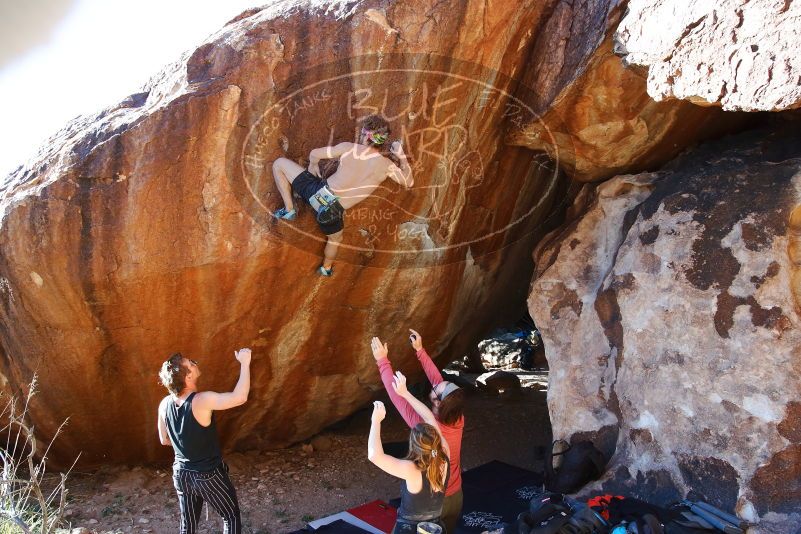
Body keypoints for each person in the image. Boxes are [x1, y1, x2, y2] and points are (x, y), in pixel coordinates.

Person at [271, 114, 414, 276]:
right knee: (335, 240)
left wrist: (313, 165)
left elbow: (315, 153)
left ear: (365, 134)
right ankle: (326, 268)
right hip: (332, 213)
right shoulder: (386, 166)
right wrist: (401, 157)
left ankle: (289, 209)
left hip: (317, 193)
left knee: (279, 164)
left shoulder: (349, 148)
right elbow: (409, 182)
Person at [371, 331, 466, 534]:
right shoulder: (457, 418)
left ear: (437, 402)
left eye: (438, 388)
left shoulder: (421, 423)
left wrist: (382, 361)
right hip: (455, 495)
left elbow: (397, 397)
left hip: (431, 510)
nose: (437, 382)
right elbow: (439, 384)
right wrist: (420, 351)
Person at [157, 349, 252, 534]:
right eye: (191, 363)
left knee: (188, 526)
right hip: (208, 475)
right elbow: (240, 397)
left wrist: (187, 443)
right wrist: (245, 363)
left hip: (182, 475)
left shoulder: (164, 404)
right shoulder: (201, 400)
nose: (194, 363)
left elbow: (164, 440)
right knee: (230, 516)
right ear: (188, 376)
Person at [368, 371, 450, 534]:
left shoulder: (412, 469)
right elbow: (429, 418)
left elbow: (374, 455)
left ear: (413, 445)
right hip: (435, 527)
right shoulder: (444, 454)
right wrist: (405, 393)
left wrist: (375, 421)